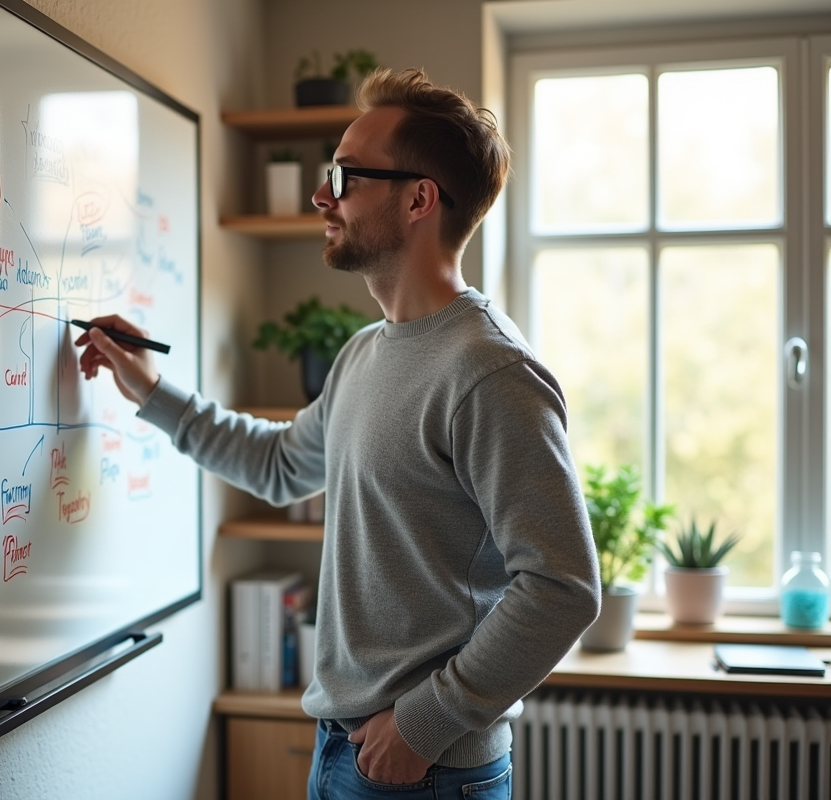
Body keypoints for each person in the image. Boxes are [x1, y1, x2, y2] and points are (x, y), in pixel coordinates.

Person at [76, 67, 600, 800]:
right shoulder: (362, 353)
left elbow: (563, 586)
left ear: (418, 200)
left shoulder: (490, 371)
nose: (322, 195)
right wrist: (149, 390)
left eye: (345, 176)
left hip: (425, 767)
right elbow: (281, 464)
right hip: (344, 748)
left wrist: (423, 724)